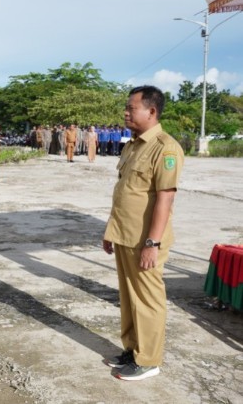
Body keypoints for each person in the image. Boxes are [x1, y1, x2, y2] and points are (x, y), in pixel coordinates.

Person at [102, 86, 184, 381]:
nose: (126, 112)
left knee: (147, 300)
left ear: (151, 111)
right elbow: (125, 192)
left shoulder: (166, 147)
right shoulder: (132, 145)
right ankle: (133, 350)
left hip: (145, 240)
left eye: (131, 108)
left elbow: (165, 198)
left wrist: (153, 242)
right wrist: (110, 230)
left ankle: (149, 360)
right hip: (125, 234)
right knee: (128, 298)